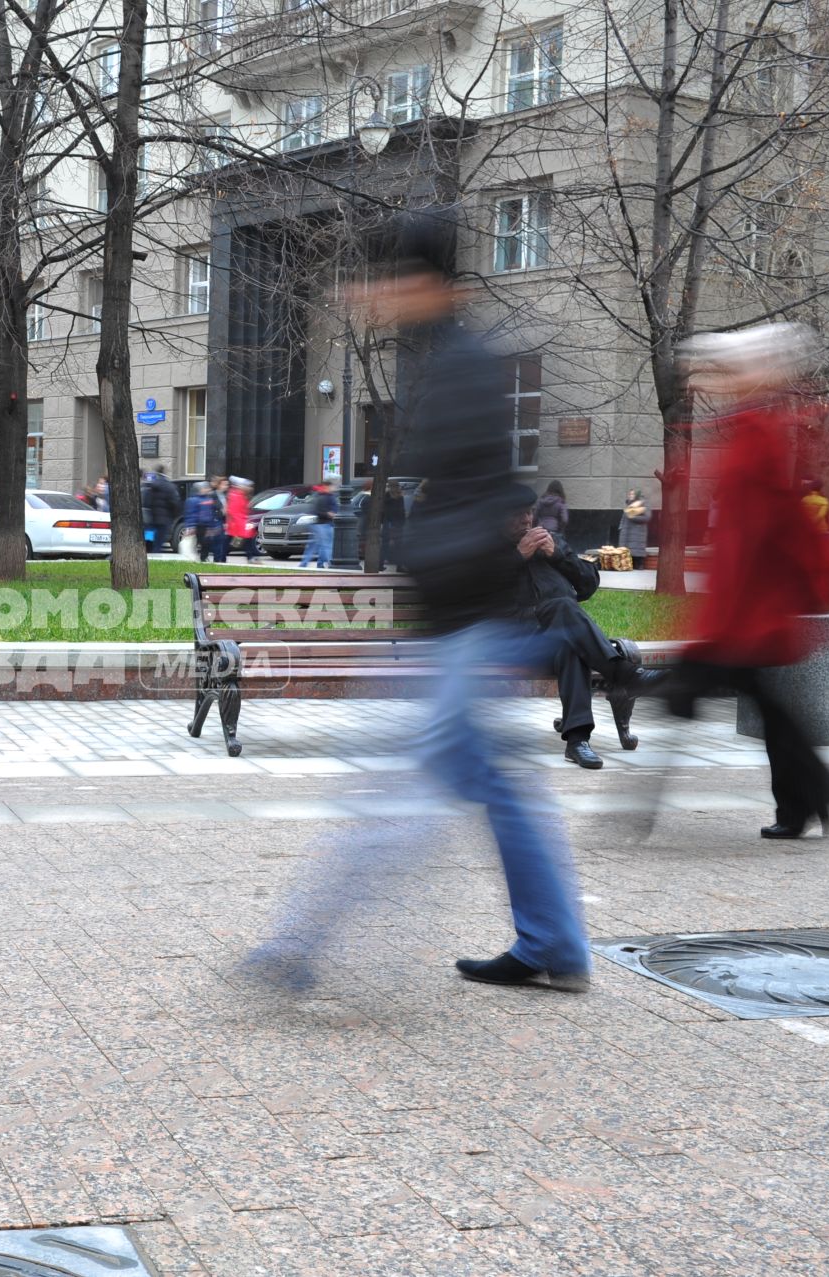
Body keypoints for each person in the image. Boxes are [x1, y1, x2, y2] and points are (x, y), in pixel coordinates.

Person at [242, 209, 590, 995]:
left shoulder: (462, 367)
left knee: (404, 792)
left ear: (427, 285)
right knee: (494, 785)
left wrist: (428, 567)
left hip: (464, 623)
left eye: (386, 280)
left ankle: (297, 945)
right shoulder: (448, 360)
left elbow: (492, 499)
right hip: (460, 618)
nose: (371, 296)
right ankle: (556, 942)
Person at [658, 323, 829, 839]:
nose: (715, 381)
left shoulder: (764, 431)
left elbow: (770, 527)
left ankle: (810, 796)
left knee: (748, 699)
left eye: (725, 371)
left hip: (752, 605)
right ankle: (810, 797)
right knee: (771, 706)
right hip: (747, 602)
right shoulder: (758, 426)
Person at [508, 501, 657, 769]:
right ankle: (625, 674)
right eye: (516, 513)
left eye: (527, 511)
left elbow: (588, 584)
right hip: (512, 643)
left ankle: (577, 740)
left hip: (555, 639)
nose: (525, 519)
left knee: (570, 645)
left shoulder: (550, 543)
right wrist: (516, 558)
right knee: (564, 609)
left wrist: (558, 556)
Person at [300, 483, 338, 568]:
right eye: (332, 486)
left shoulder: (319, 495)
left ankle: (306, 564)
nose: (334, 488)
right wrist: (329, 514)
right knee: (326, 545)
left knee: (314, 546)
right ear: (327, 487)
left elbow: (315, 510)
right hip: (324, 524)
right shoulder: (326, 496)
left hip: (317, 524)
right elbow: (320, 511)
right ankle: (329, 563)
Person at [143, 465, 179, 553]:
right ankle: (155, 553)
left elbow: (146, 501)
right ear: (164, 472)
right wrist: (174, 515)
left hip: (151, 518)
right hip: (164, 519)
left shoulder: (150, 485)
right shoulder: (169, 486)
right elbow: (174, 503)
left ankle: (148, 548)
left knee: (149, 535)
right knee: (159, 540)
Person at [182, 481, 222, 561]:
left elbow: (211, 514)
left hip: (206, 526)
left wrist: (213, 526)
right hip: (197, 526)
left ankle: (203, 558)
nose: (207, 489)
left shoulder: (209, 499)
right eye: (205, 488)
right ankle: (194, 558)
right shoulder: (192, 500)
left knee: (206, 543)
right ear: (199, 489)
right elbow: (190, 514)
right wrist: (191, 526)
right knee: (197, 543)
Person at [224, 477, 257, 562]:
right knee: (230, 540)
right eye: (248, 486)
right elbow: (233, 511)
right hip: (237, 522)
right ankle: (221, 556)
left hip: (240, 522)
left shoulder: (239, 494)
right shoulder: (236, 495)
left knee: (246, 538)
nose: (250, 488)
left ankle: (250, 556)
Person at [619, 488, 650, 569]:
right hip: (627, 531)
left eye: (632, 494)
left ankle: (639, 564)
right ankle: (629, 564)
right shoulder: (628, 505)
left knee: (637, 550)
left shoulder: (642, 504)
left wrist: (633, 517)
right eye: (630, 494)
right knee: (627, 550)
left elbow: (647, 517)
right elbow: (624, 518)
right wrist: (621, 527)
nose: (630, 496)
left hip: (638, 532)